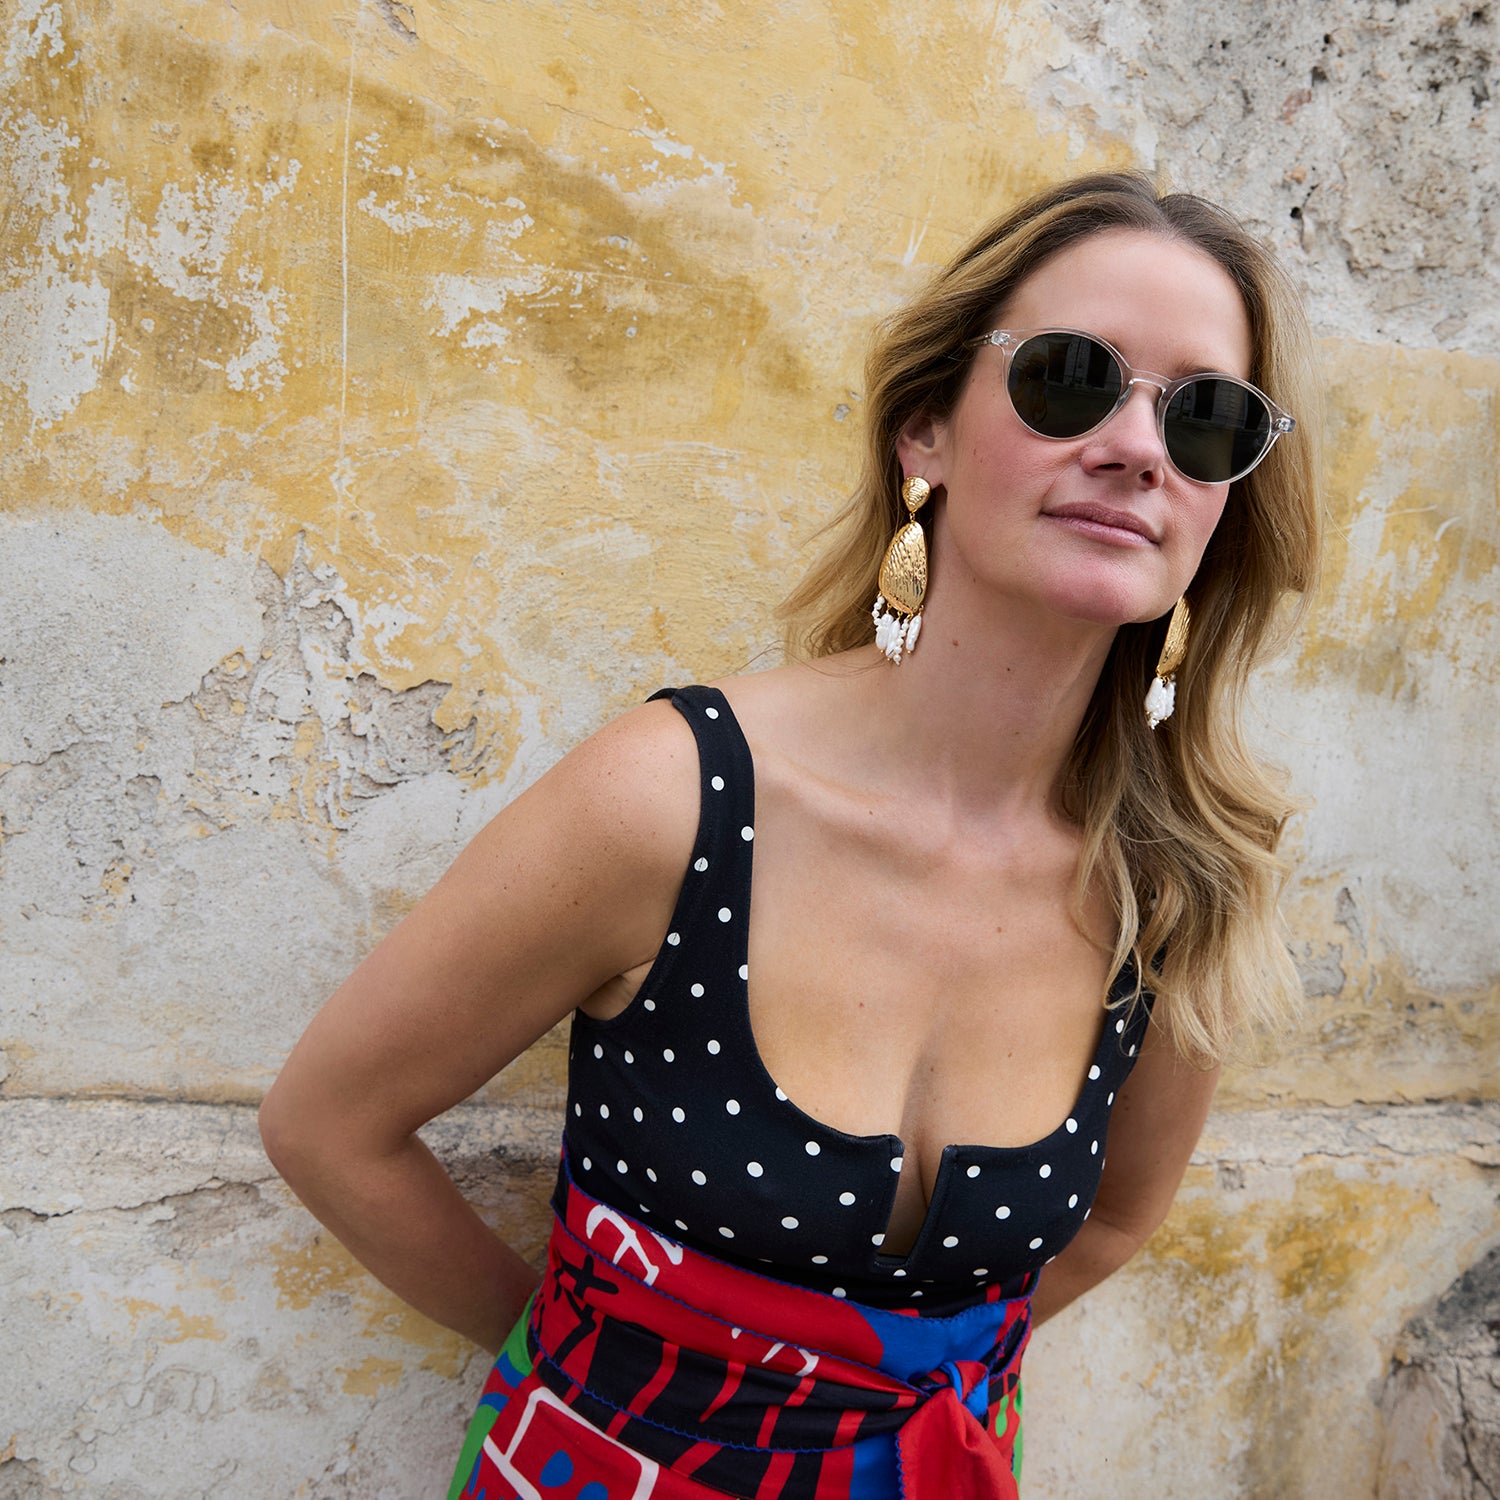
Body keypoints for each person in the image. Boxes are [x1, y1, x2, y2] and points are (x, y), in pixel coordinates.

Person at [259, 170, 1322, 1500]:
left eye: (1207, 416)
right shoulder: (670, 801)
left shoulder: (1175, 888)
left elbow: (1111, 1219)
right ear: (925, 432)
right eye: (1070, 379)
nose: (1137, 447)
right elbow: (330, 1123)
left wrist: (877, 1414)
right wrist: (601, 1368)